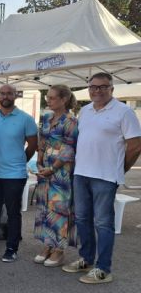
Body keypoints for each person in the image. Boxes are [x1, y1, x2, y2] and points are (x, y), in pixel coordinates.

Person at [62, 73, 141, 284]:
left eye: (102, 87)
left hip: (105, 177)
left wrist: (119, 170)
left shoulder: (124, 112)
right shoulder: (85, 111)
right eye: (93, 87)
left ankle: (103, 269)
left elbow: (135, 146)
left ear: (111, 89)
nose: (97, 90)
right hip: (82, 173)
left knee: (103, 223)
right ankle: (86, 259)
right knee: (82, 219)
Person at [0, 84, 38, 262]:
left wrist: (21, 159)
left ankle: (11, 248)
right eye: (2, 93)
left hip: (15, 175)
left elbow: (32, 144)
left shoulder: (26, 119)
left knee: (13, 213)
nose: (5, 96)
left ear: (16, 96)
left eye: (9, 93)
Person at [32, 85, 79, 267]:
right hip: (45, 168)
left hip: (61, 172)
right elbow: (41, 140)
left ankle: (59, 250)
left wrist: (53, 168)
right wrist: (39, 160)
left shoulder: (71, 121)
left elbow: (69, 148)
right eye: (48, 98)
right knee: (44, 207)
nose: (48, 100)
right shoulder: (47, 117)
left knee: (59, 209)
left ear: (64, 99)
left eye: (52, 98)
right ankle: (47, 244)